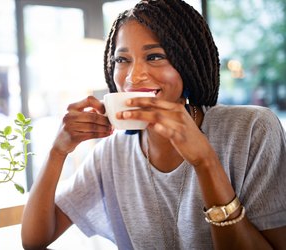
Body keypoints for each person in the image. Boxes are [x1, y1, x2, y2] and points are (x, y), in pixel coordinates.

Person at [21, 0, 286, 249]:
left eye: (155, 56)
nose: (134, 77)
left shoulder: (252, 129)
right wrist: (58, 151)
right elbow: (35, 239)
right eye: (122, 60)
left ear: (187, 62)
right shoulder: (112, 152)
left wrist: (205, 161)